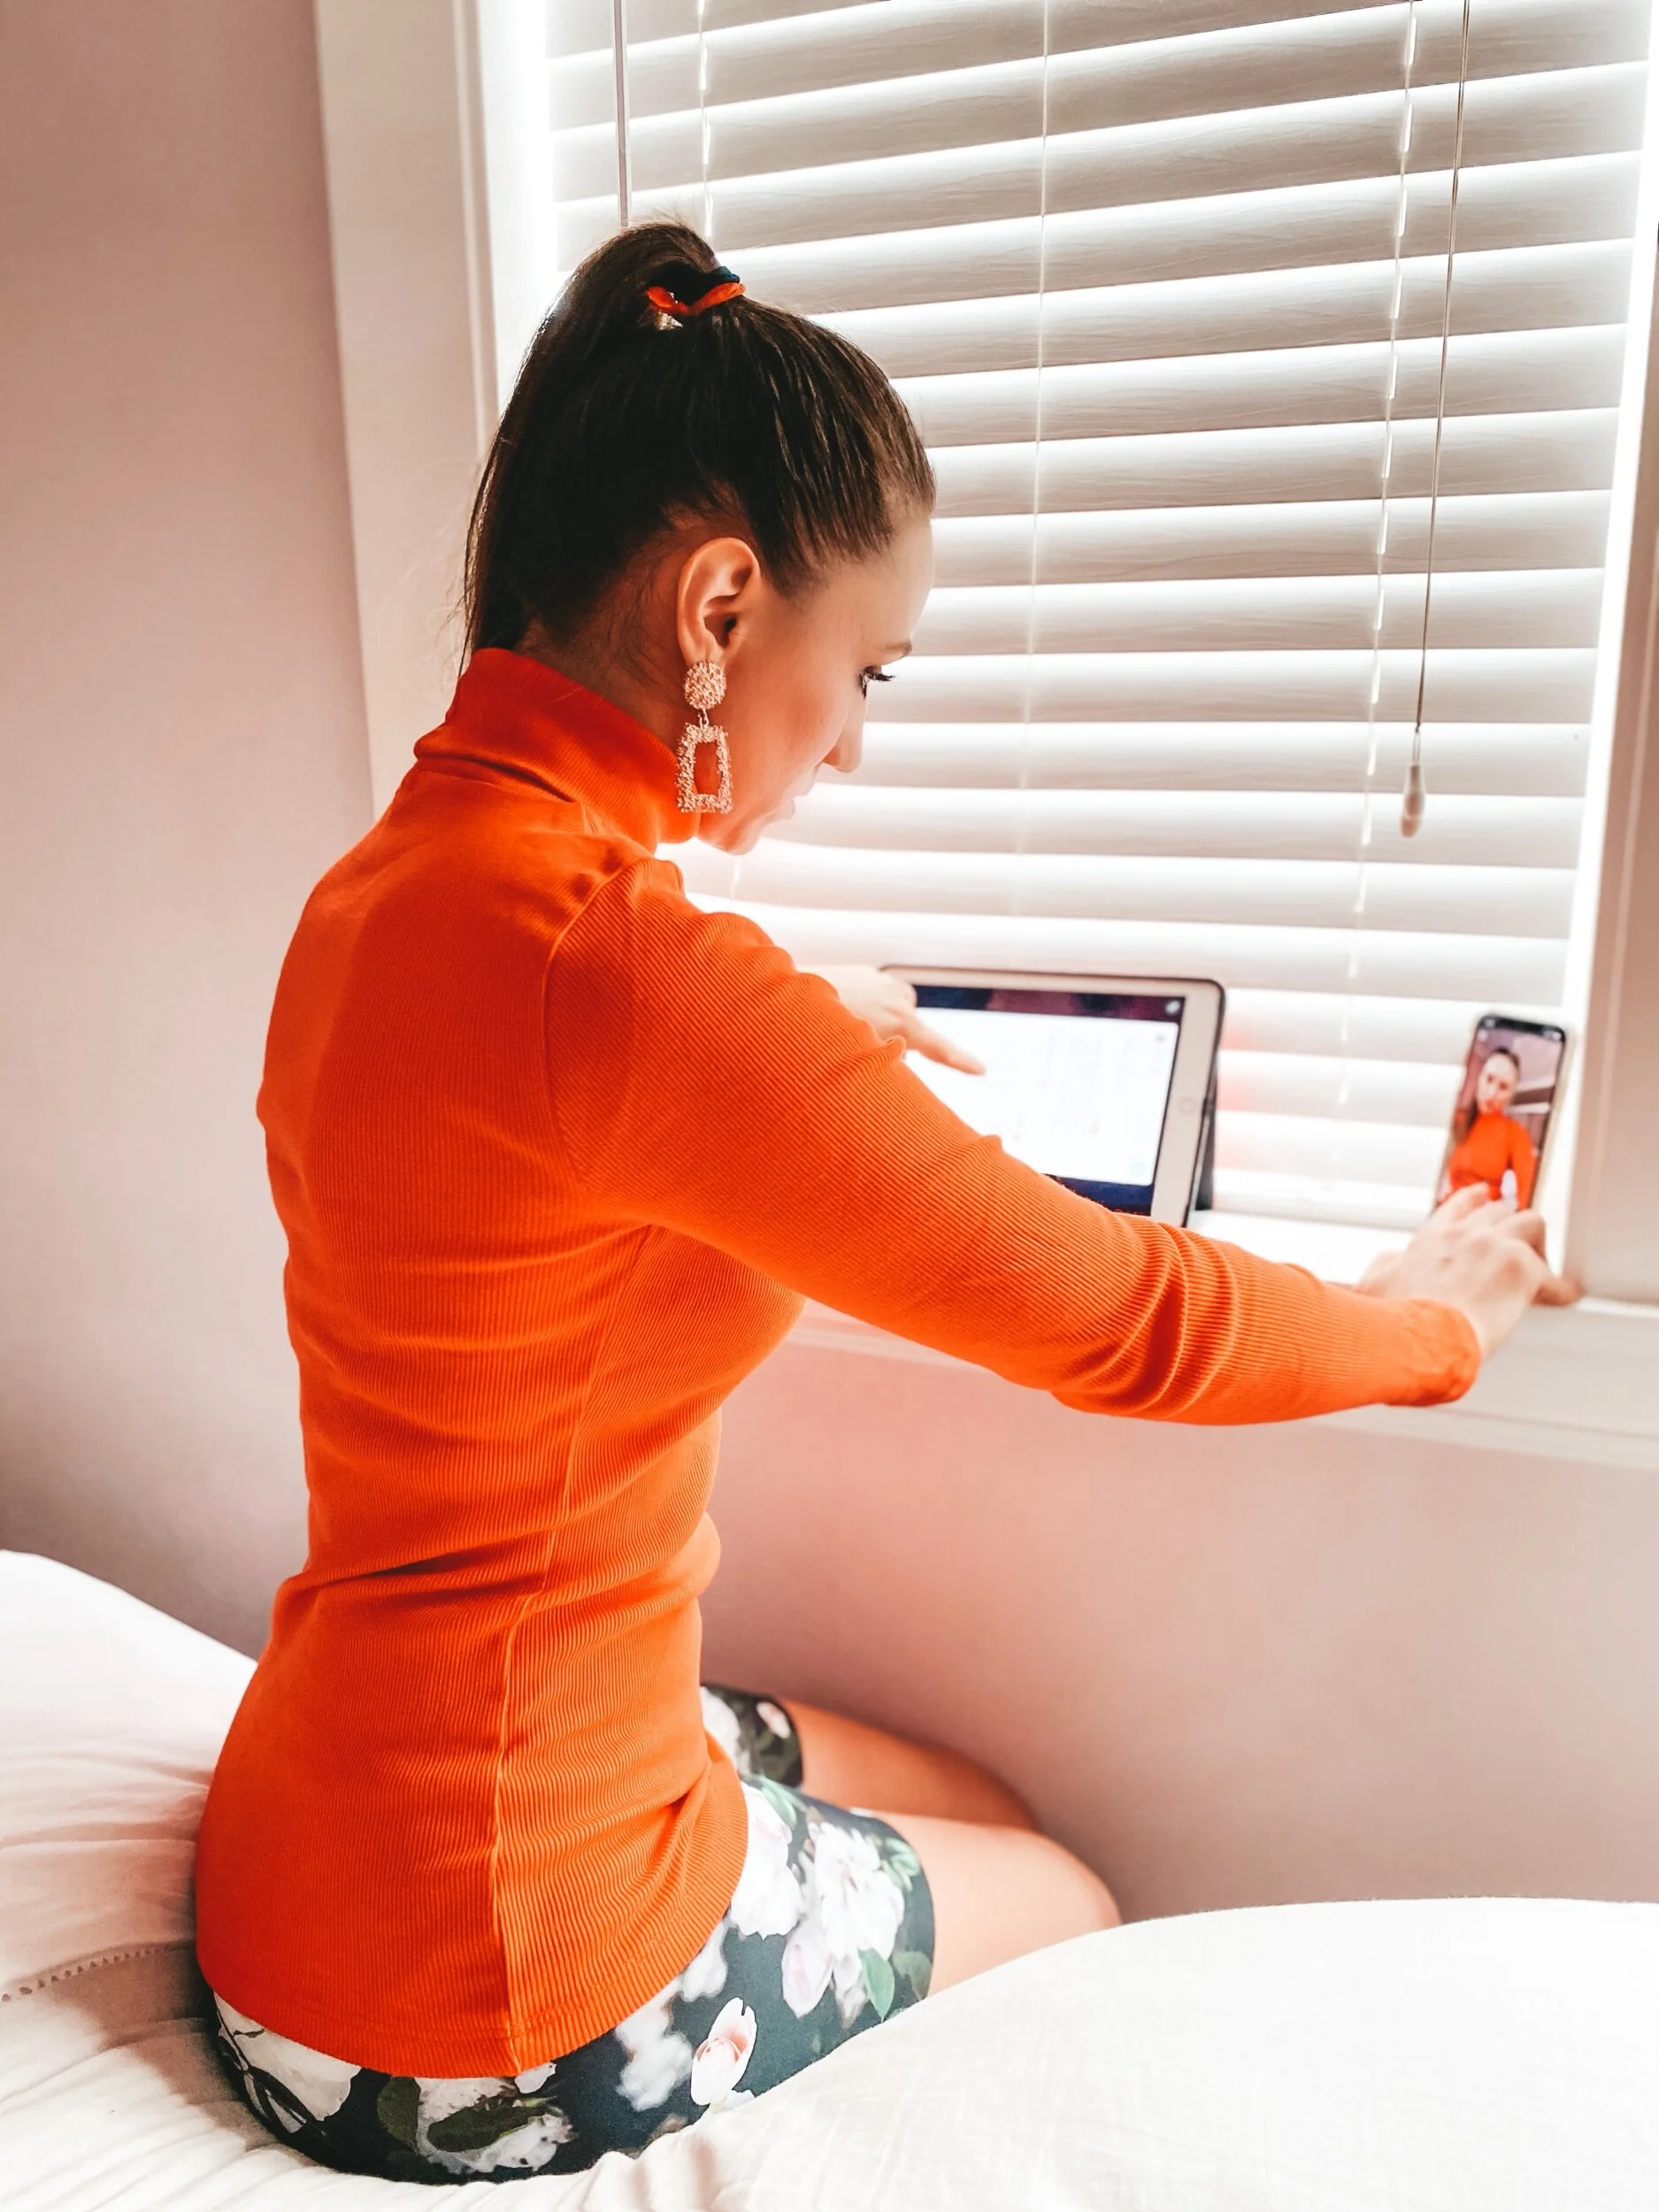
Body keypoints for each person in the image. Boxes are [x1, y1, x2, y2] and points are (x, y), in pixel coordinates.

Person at [194, 223, 1575, 2183]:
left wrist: (790, 1026)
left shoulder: (380, 891)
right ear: (720, 605)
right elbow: (1128, 1318)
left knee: (961, 1784)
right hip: (475, 1983)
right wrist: (1436, 1321)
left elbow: (520, 1127)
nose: (849, 739)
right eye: (862, 669)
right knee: (1067, 1886)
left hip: (301, 1856)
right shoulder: (639, 979)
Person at [1441, 1045, 1539, 1207]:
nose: (1492, 1093)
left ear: (1511, 1095)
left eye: (1503, 1087)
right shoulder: (1458, 1119)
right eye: (1489, 1079)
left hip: (1483, 1215)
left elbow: (1527, 1195)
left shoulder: (1515, 1133)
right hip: (1447, 1209)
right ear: (1480, 1077)